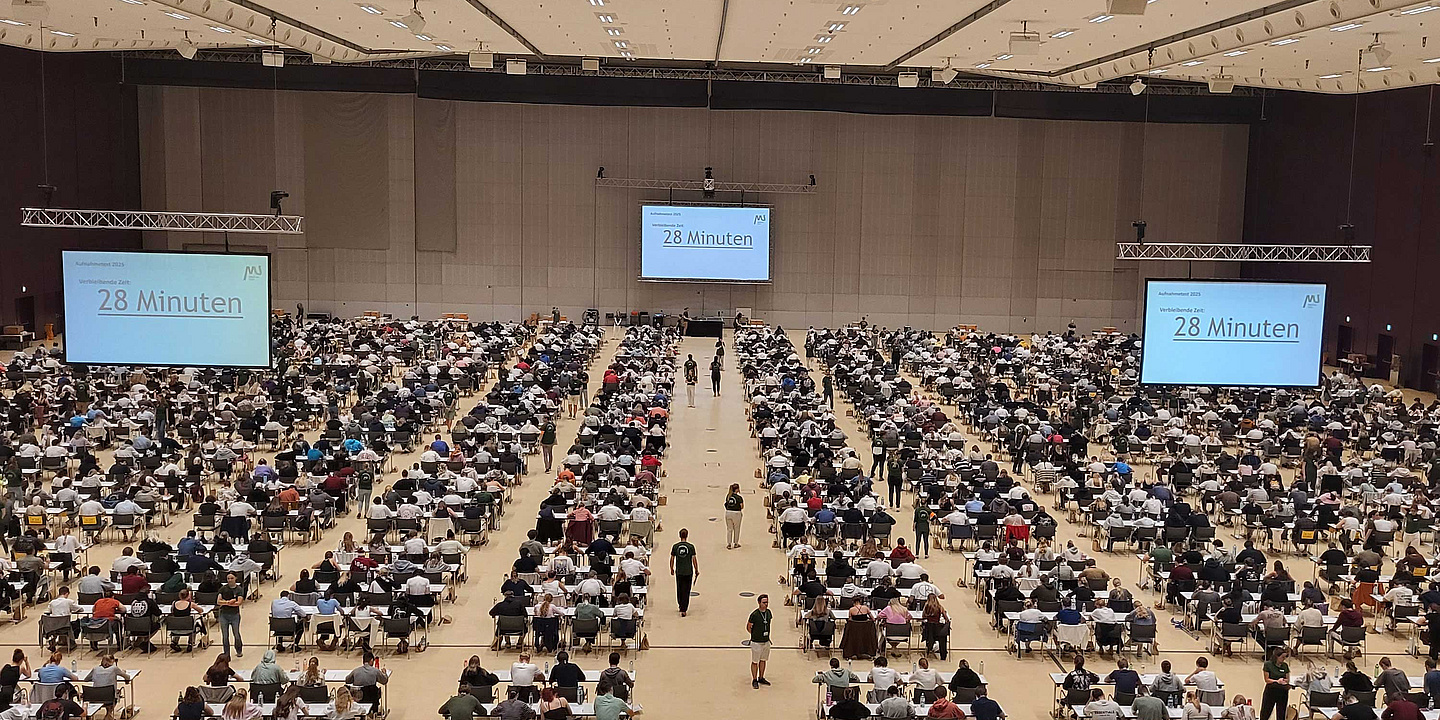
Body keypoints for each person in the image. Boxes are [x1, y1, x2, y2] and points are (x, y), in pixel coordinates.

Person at [670, 528, 699, 616]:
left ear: (679, 535)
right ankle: (684, 609)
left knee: (679, 588)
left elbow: (672, 558)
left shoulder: (675, 546)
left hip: (679, 571)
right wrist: (696, 570)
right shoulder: (691, 547)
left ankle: (680, 605)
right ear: (687, 535)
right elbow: (694, 559)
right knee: (686, 590)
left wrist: (671, 568)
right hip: (688, 571)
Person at [748, 594, 773, 689]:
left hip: (766, 641)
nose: (766, 604)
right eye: (764, 602)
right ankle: (754, 679)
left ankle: (761, 677)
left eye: (767, 602)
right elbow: (749, 626)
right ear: (759, 603)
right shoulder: (754, 615)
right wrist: (754, 634)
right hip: (756, 642)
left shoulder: (769, 613)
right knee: (755, 661)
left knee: (763, 660)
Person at [217, 572, 245, 658]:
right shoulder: (223, 588)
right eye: (228, 578)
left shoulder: (239, 589)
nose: (230, 580)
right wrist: (229, 602)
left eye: (231, 578)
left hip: (234, 615)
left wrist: (226, 603)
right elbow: (218, 601)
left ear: (235, 578)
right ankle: (226, 654)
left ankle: (239, 650)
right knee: (225, 635)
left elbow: (239, 602)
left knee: (236, 634)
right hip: (223, 615)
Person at [1261, 647, 1292, 720]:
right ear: (1276, 657)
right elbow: (1267, 679)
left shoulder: (1285, 666)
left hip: (1282, 691)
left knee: (1281, 713)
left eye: (1285, 657)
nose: (1284, 659)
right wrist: (1276, 681)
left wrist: (1285, 681)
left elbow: (1287, 678)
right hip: (1271, 690)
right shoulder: (1268, 664)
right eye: (1282, 657)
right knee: (1266, 712)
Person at [725, 483, 744, 549]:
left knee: (729, 529)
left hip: (728, 512)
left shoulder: (728, 496)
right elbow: (742, 506)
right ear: (737, 489)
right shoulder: (739, 498)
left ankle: (729, 544)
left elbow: (725, 504)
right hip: (736, 513)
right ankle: (736, 543)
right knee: (737, 528)